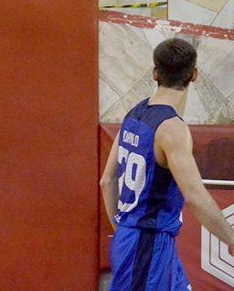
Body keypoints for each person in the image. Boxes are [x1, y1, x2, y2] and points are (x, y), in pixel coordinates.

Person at [100, 38, 234, 290]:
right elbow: (194, 195)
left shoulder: (134, 113)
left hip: (134, 238)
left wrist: (123, 230)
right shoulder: (172, 129)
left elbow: (107, 181)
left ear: (154, 73)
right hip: (148, 244)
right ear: (194, 75)